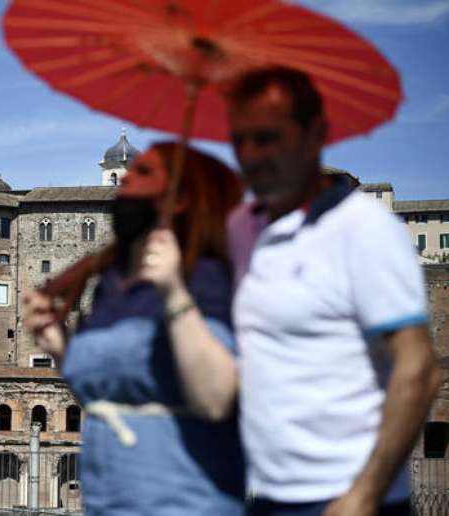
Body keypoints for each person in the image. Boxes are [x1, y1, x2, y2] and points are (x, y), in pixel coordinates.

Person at [144, 66, 440, 516]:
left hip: (350, 497)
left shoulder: (366, 230)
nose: (251, 155)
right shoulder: (241, 229)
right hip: (264, 494)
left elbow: (419, 369)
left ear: (316, 134)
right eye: (240, 140)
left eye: (268, 138)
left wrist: (363, 493)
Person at [24, 142, 245, 515]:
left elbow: (217, 397)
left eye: (142, 173)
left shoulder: (206, 275)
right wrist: (59, 347)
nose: (126, 179)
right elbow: (106, 397)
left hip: (186, 500)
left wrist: (174, 291)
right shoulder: (111, 281)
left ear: (177, 198)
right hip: (108, 502)